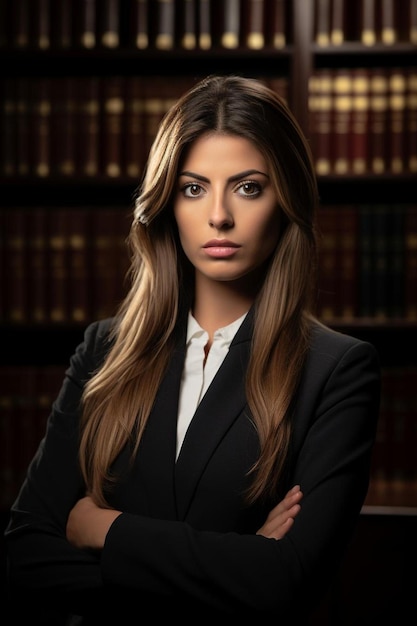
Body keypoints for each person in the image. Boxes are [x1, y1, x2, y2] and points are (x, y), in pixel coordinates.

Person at [4, 74, 380, 623]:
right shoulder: (104, 350)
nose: (219, 215)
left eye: (249, 187)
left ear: (287, 199)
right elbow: (25, 557)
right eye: (193, 187)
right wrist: (235, 561)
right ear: (166, 203)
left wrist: (104, 530)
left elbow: (286, 579)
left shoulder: (337, 371)